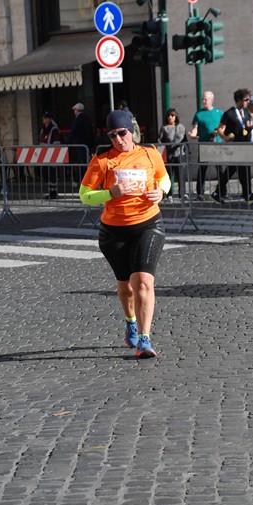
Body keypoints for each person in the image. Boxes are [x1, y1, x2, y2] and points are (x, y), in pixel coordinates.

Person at [79, 110, 171, 359]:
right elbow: (84, 195)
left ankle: (145, 338)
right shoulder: (102, 160)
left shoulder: (150, 153)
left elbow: (165, 180)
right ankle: (130, 321)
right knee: (125, 286)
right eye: (112, 135)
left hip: (148, 223)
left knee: (142, 281)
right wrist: (110, 192)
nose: (119, 139)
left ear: (132, 131)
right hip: (114, 231)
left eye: (122, 133)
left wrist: (161, 192)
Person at [211, 88, 253, 205]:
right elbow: (220, 129)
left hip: (244, 146)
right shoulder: (229, 113)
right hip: (234, 147)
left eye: (249, 99)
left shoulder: (246, 112)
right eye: (246, 99)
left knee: (232, 170)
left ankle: (217, 192)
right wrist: (226, 138)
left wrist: (252, 127)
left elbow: (246, 126)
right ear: (239, 100)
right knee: (240, 170)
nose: (248, 102)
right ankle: (247, 194)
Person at [188, 90, 223, 200]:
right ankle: (200, 192)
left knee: (220, 169)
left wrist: (219, 131)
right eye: (202, 99)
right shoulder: (199, 114)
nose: (203, 101)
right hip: (204, 145)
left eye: (205, 99)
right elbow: (195, 129)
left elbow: (223, 127)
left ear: (211, 100)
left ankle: (222, 191)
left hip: (217, 145)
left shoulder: (219, 112)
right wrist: (192, 134)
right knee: (202, 169)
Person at [158, 108, 186, 201]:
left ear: (176, 116)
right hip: (169, 154)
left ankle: (182, 194)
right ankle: (169, 194)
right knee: (169, 176)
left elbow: (183, 139)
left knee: (180, 175)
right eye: (168, 115)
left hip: (179, 153)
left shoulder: (180, 127)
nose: (170, 117)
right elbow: (159, 140)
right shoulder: (164, 128)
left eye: (172, 115)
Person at [69, 103, 96, 180]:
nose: (74, 111)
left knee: (81, 162)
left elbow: (73, 131)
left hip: (80, 143)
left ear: (77, 110)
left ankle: (83, 179)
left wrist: (68, 141)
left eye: (74, 110)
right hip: (87, 143)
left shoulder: (78, 119)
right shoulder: (87, 118)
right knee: (86, 161)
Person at [39, 111, 60, 199]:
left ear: (49, 119)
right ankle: (50, 191)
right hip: (44, 155)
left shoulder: (53, 129)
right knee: (46, 173)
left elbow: (56, 143)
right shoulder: (43, 129)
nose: (43, 119)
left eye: (45, 118)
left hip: (52, 154)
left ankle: (53, 192)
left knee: (52, 174)